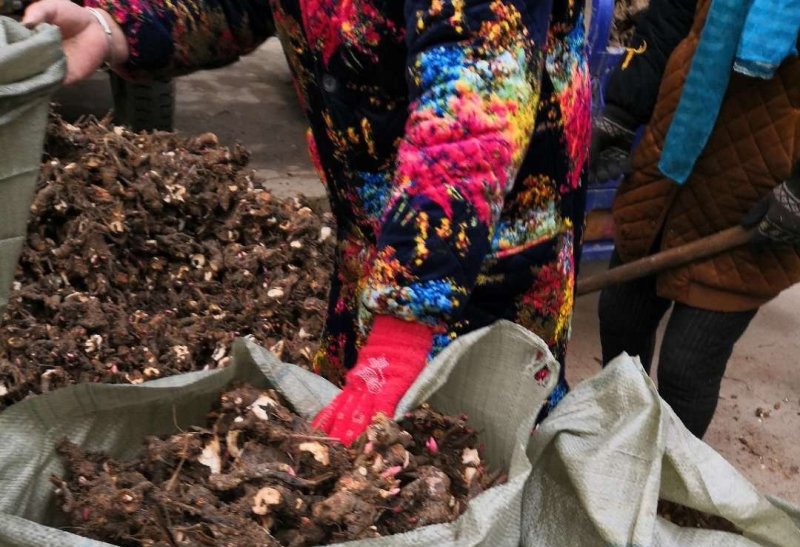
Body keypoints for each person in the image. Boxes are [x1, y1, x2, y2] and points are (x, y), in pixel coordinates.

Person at [24, 0, 591, 444]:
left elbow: (475, 101)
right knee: (352, 437)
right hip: (374, 226)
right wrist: (112, 27)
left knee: (478, 452)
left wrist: (399, 337)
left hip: (484, 242)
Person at [590, 0, 800, 438]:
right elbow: (669, 18)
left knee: (687, 365)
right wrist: (623, 114)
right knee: (620, 318)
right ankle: (611, 454)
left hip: (756, 196)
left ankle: (670, 491)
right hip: (670, 168)